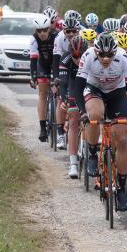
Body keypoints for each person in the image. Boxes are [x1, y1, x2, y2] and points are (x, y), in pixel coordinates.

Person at [75, 33, 127, 211]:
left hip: (117, 94)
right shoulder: (88, 56)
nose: (105, 59)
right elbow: (77, 88)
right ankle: (93, 154)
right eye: (101, 55)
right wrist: (82, 112)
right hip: (94, 89)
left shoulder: (124, 58)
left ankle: (121, 188)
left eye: (109, 55)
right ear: (95, 51)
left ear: (115, 52)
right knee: (95, 115)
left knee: (122, 138)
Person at [58, 34, 88, 178]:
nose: (77, 60)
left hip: (89, 87)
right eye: (74, 57)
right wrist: (64, 99)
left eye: (80, 56)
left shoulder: (91, 57)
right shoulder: (66, 59)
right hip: (73, 86)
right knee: (74, 119)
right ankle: (73, 164)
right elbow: (63, 83)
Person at [52, 10, 82, 150]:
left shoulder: (84, 37)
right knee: (60, 97)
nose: (70, 34)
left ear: (78, 30)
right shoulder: (59, 39)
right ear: (63, 31)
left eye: (73, 31)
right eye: (67, 31)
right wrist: (56, 79)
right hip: (65, 65)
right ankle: (60, 134)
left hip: (80, 66)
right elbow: (56, 60)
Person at [29, 15, 58, 142]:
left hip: (56, 63)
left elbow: (61, 57)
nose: (42, 33)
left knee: (61, 90)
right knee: (42, 93)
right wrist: (33, 77)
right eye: (39, 31)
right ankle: (42, 128)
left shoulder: (57, 36)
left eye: (44, 30)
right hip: (43, 65)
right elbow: (33, 59)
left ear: (49, 29)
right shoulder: (34, 39)